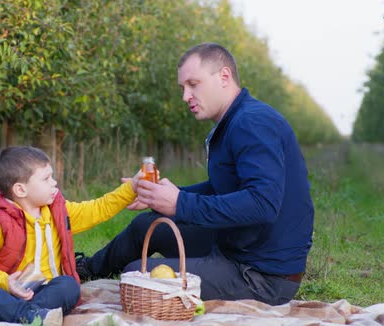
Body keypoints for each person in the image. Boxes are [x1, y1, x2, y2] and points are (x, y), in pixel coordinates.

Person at [76, 43, 314, 306]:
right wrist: (167, 196)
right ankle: (84, 270)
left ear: (224, 76)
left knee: (135, 274)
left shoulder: (252, 122)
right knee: (145, 226)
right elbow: (226, 188)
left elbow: (263, 204)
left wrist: (180, 203)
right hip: (234, 243)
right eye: (182, 88)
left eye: (193, 84)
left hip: (261, 274)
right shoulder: (233, 121)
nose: (185, 96)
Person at [0, 146, 140, 326]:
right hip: (9, 292)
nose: (54, 183)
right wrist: (6, 282)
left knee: (69, 286)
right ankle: (30, 317)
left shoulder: (60, 213)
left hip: (47, 292)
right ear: (21, 190)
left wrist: (131, 188)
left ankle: (10, 316)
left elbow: (98, 209)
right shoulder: (0, 222)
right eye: (46, 178)